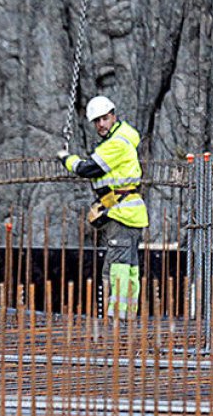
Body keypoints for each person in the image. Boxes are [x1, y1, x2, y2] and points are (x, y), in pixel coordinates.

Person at [57, 95, 149, 319]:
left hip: (124, 214)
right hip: (127, 211)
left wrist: (66, 159)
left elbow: (89, 169)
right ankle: (126, 315)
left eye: (104, 119)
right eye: (97, 121)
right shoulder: (121, 138)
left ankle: (116, 316)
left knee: (117, 266)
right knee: (129, 268)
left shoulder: (117, 143)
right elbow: (113, 182)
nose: (101, 124)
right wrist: (103, 204)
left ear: (113, 116)